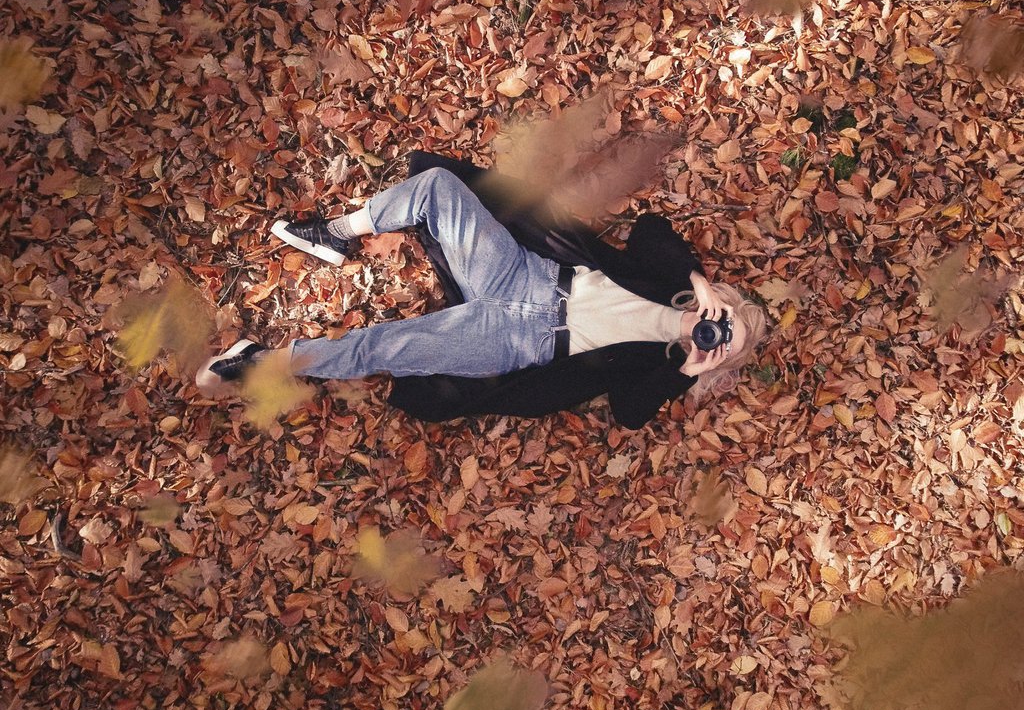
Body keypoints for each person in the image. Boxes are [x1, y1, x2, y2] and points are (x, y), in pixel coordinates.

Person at [196, 151, 767, 429]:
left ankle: (265, 363)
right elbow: (650, 228)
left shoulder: (664, 370)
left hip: (520, 341)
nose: (714, 333)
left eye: (726, 343)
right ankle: (337, 232)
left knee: (388, 347)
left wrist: (684, 371)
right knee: (438, 187)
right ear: (722, 304)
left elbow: (629, 413)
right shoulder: (671, 282)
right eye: (726, 320)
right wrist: (696, 281)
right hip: (527, 274)